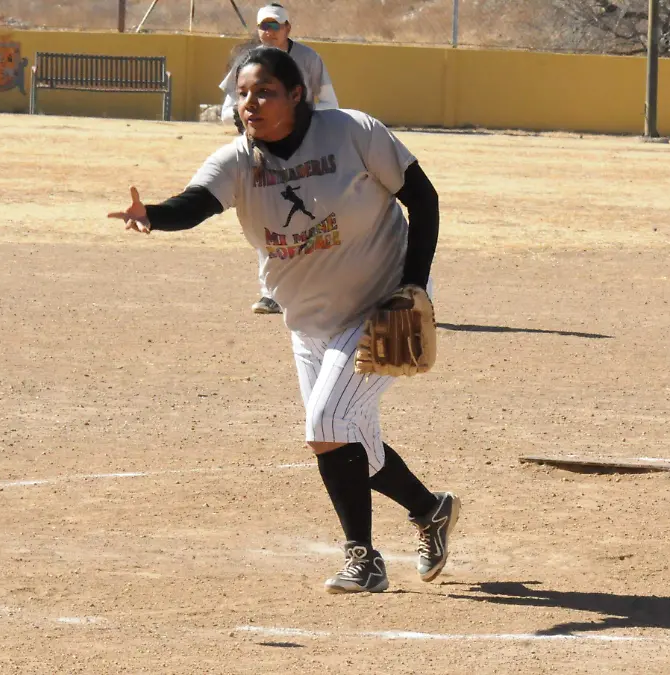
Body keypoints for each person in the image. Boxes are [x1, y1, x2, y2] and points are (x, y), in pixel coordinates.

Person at [109, 46, 458, 594]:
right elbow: (196, 203)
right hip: (310, 321)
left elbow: (424, 198)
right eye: (243, 94)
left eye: (265, 91)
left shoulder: (352, 133)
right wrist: (152, 215)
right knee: (350, 442)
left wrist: (413, 284)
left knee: (325, 427)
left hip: (382, 305)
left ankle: (363, 560)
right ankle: (429, 510)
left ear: (298, 95)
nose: (251, 103)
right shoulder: (238, 162)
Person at [217, 3, 341, 316]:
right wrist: (242, 120)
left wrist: (317, 131)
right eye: (264, 26)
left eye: (275, 25)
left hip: (308, 149)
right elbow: (229, 105)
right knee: (268, 216)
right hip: (264, 152)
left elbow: (329, 103)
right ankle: (271, 292)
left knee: (316, 217)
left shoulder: (309, 59)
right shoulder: (247, 61)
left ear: (288, 28)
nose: (269, 31)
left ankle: (318, 285)